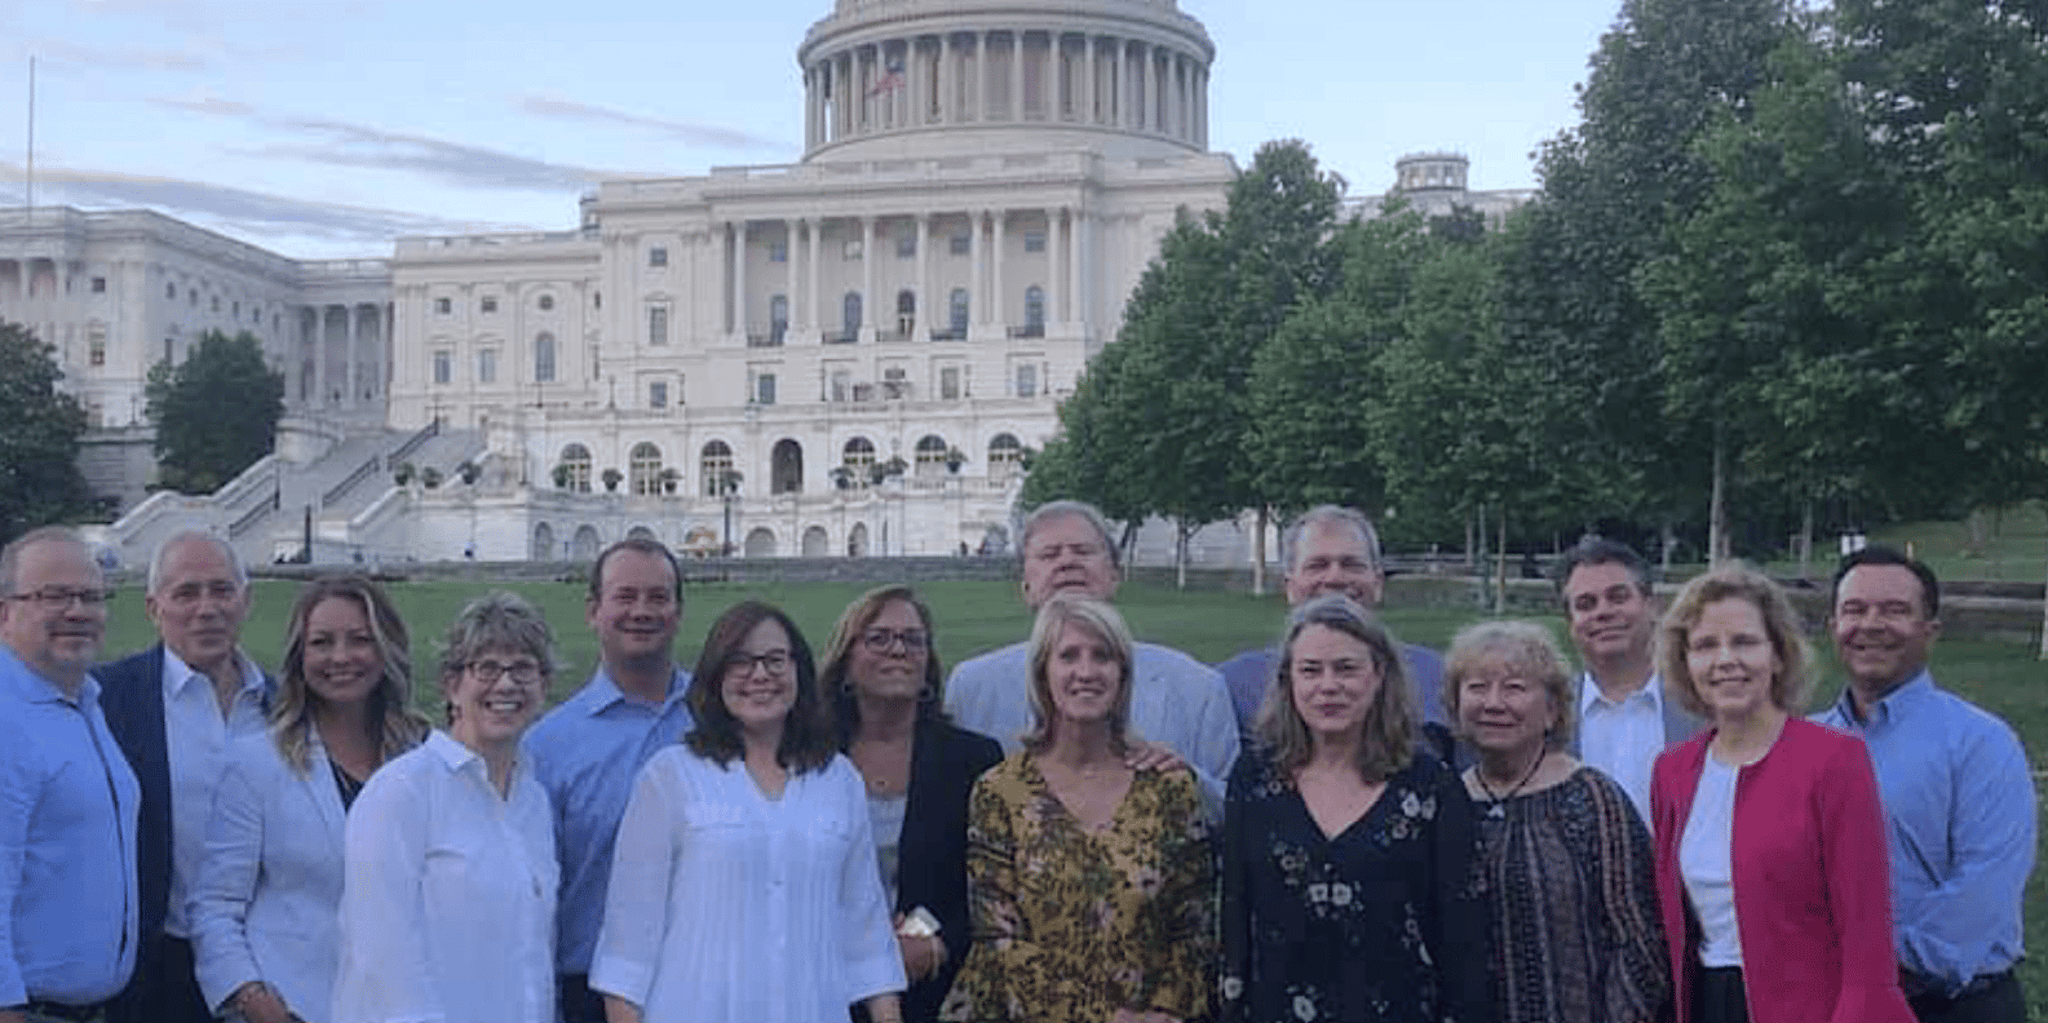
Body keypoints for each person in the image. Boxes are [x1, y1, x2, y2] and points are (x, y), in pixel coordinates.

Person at [591, 601, 905, 1023]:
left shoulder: (839, 781)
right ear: (716, 675)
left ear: (799, 671)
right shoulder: (670, 777)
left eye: (775, 660)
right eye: (740, 662)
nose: (760, 675)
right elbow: (628, 940)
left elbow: (865, 929)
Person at [1649, 564, 1914, 1023]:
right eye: (1706, 646)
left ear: (1777, 656)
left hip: (1810, 1007)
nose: (1725, 660)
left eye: (1744, 642)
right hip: (1706, 1001)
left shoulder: (1834, 760)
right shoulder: (1672, 771)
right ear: (1685, 663)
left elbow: (1865, 919)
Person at [1219, 594, 1490, 1023]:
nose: (1328, 686)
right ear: (1289, 680)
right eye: (1311, 670)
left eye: (1346, 668)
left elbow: (1464, 935)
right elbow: (1234, 915)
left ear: (1379, 675)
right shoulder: (1253, 780)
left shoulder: (1431, 786)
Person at [941, 595, 1212, 1023]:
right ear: (1042, 674)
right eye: (1068, 656)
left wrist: (1163, 1011)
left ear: (1122, 676)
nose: (1086, 672)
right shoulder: (1000, 792)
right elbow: (998, 939)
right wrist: (1109, 1019)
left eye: (1102, 657)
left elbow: (1194, 924)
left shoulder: (1169, 789)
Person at [189, 576, 431, 1023]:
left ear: (387, 648)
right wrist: (253, 998)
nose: (340, 657)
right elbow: (216, 906)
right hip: (295, 1009)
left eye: (359, 639)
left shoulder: (426, 762)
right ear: (299, 657)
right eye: (322, 642)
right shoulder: (256, 763)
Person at [1815, 547, 2034, 1023]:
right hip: (1828, 1000)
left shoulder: (1980, 743)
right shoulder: (1801, 744)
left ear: (1930, 630)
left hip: (1950, 1007)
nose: (1871, 624)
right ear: (1833, 627)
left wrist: (1871, 970)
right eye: (1854, 610)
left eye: (1894, 610)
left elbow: (1982, 890)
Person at [331, 592, 558, 1023]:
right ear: (453, 685)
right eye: (486, 668)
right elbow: (383, 958)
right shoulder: (402, 793)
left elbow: (532, 958)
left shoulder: (534, 803)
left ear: (544, 686)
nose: (506, 684)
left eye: (523, 668)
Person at [945, 500, 1238, 813]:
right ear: (1025, 586)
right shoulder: (972, 688)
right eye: (1049, 554)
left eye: (1083, 551)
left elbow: (1238, 816)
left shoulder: (1198, 687)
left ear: (1115, 575)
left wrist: (1189, 782)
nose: (1068, 562)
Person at [1444, 620, 1667, 1023]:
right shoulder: (1444, 805)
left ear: (1551, 710)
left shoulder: (1593, 799)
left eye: (1514, 688)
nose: (1493, 703)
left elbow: (1640, 940)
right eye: (1477, 687)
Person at [98, 531, 275, 1023]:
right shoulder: (109, 700)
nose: (207, 609)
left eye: (222, 590)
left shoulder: (285, 707)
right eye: (186, 593)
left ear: (246, 601)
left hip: (270, 964)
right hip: (157, 970)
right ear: (153, 608)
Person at [525, 538, 694, 1023]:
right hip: (593, 991)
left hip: (708, 979)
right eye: (625, 596)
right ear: (593, 610)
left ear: (678, 613)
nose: (642, 611)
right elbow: (538, 897)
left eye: (658, 597)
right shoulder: (548, 746)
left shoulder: (722, 717)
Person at [821, 585, 1003, 1023]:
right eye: (879, 638)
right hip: (825, 987)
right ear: (846, 663)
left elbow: (993, 884)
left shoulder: (973, 759)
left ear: (928, 667)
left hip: (936, 990)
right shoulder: (808, 760)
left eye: (912, 639)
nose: (898, 650)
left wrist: (936, 944)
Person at [0, 527, 141, 1023]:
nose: (78, 611)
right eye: (54, 596)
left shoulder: (82, 702)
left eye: (91, 596)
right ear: (4, 613)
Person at [1215, 506, 1451, 743]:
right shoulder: (1234, 685)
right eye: (1317, 565)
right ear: (1290, 586)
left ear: (1378, 582)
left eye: (1351, 564)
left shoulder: (1436, 676)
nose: (1335, 578)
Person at [1556, 537, 1702, 820]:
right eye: (1586, 604)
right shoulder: (1548, 716)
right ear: (1571, 623)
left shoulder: (1702, 704)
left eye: (1618, 597)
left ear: (1652, 606)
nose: (1603, 612)